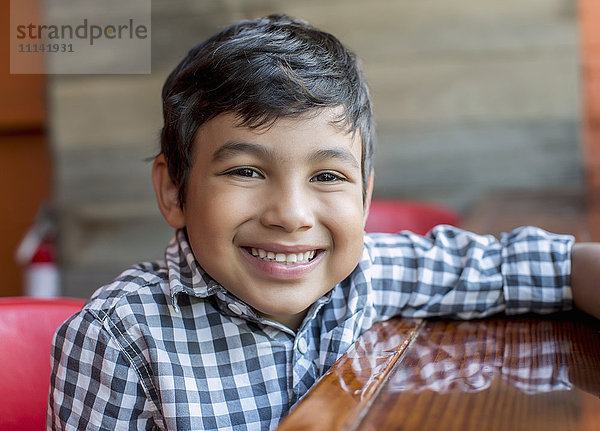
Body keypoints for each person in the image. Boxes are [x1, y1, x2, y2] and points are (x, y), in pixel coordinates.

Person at [47, 14, 600, 430]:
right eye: (245, 170)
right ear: (174, 191)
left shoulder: (367, 274)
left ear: (365, 194)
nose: (290, 214)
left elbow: (522, 266)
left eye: (329, 177)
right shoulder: (118, 339)